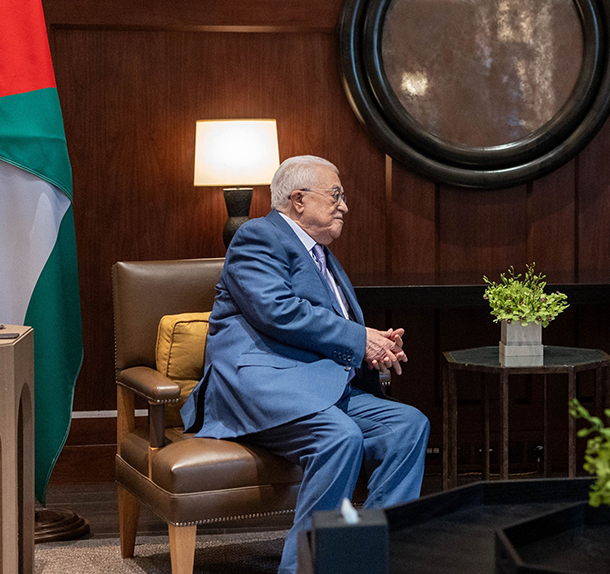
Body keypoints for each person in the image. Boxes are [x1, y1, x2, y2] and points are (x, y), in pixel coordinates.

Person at [181, 155, 429, 574]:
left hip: (320, 385)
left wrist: (376, 346)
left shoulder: (322, 254)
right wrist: (360, 339)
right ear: (298, 199)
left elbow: (333, 326)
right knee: (340, 437)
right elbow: (278, 311)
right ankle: (304, 567)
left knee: (408, 425)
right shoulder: (257, 236)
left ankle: (368, 557)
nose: (344, 206)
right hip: (263, 385)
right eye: (336, 195)